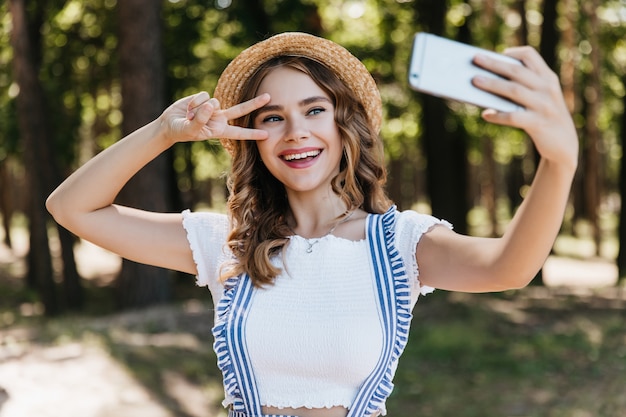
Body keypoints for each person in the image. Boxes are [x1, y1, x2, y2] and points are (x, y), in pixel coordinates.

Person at [46, 32, 578, 417]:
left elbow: (511, 267)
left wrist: (559, 163)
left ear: (345, 126)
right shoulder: (226, 242)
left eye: (315, 110)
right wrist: (164, 132)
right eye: (272, 117)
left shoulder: (399, 244)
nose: (295, 132)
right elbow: (73, 208)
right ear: (252, 138)